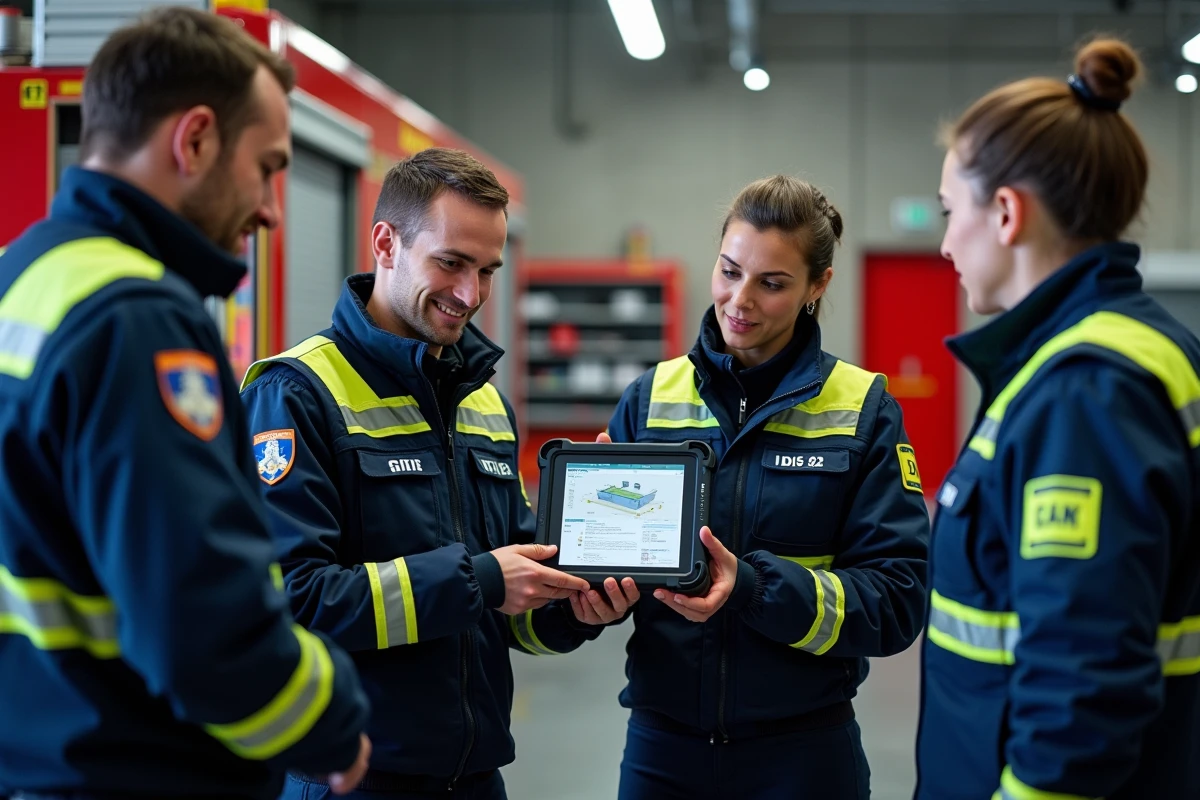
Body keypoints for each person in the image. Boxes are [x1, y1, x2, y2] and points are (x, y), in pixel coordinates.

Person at [0, 7, 372, 800]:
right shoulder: (136, 319)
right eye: (267, 166)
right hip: (131, 771)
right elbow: (204, 625)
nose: (273, 208)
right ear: (195, 139)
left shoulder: (22, 276)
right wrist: (332, 720)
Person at [240, 147, 612, 800]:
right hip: (348, 778)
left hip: (473, 776)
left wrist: (577, 608)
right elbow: (292, 602)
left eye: (487, 270)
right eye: (451, 263)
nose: (471, 295)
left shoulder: (484, 403)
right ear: (385, 242)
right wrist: (482, 578)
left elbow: (508, 609)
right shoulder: (297, 394)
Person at [915, 38, 1200, 799]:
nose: (945, 243)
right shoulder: (1119, 352)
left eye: (950, 212)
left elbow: (1083, 689)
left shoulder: (1086, 390)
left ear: (1006, 212)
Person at [594, 175, 930, 799]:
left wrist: (753, 589)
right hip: (663, 750)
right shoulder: (650, 400)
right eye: (729, 270)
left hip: (803, 756)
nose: (739, 300)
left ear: (817, 287)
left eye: (771, 283)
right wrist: (590, 589)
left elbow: (897, 601)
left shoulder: (864, 410)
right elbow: (605, 560)